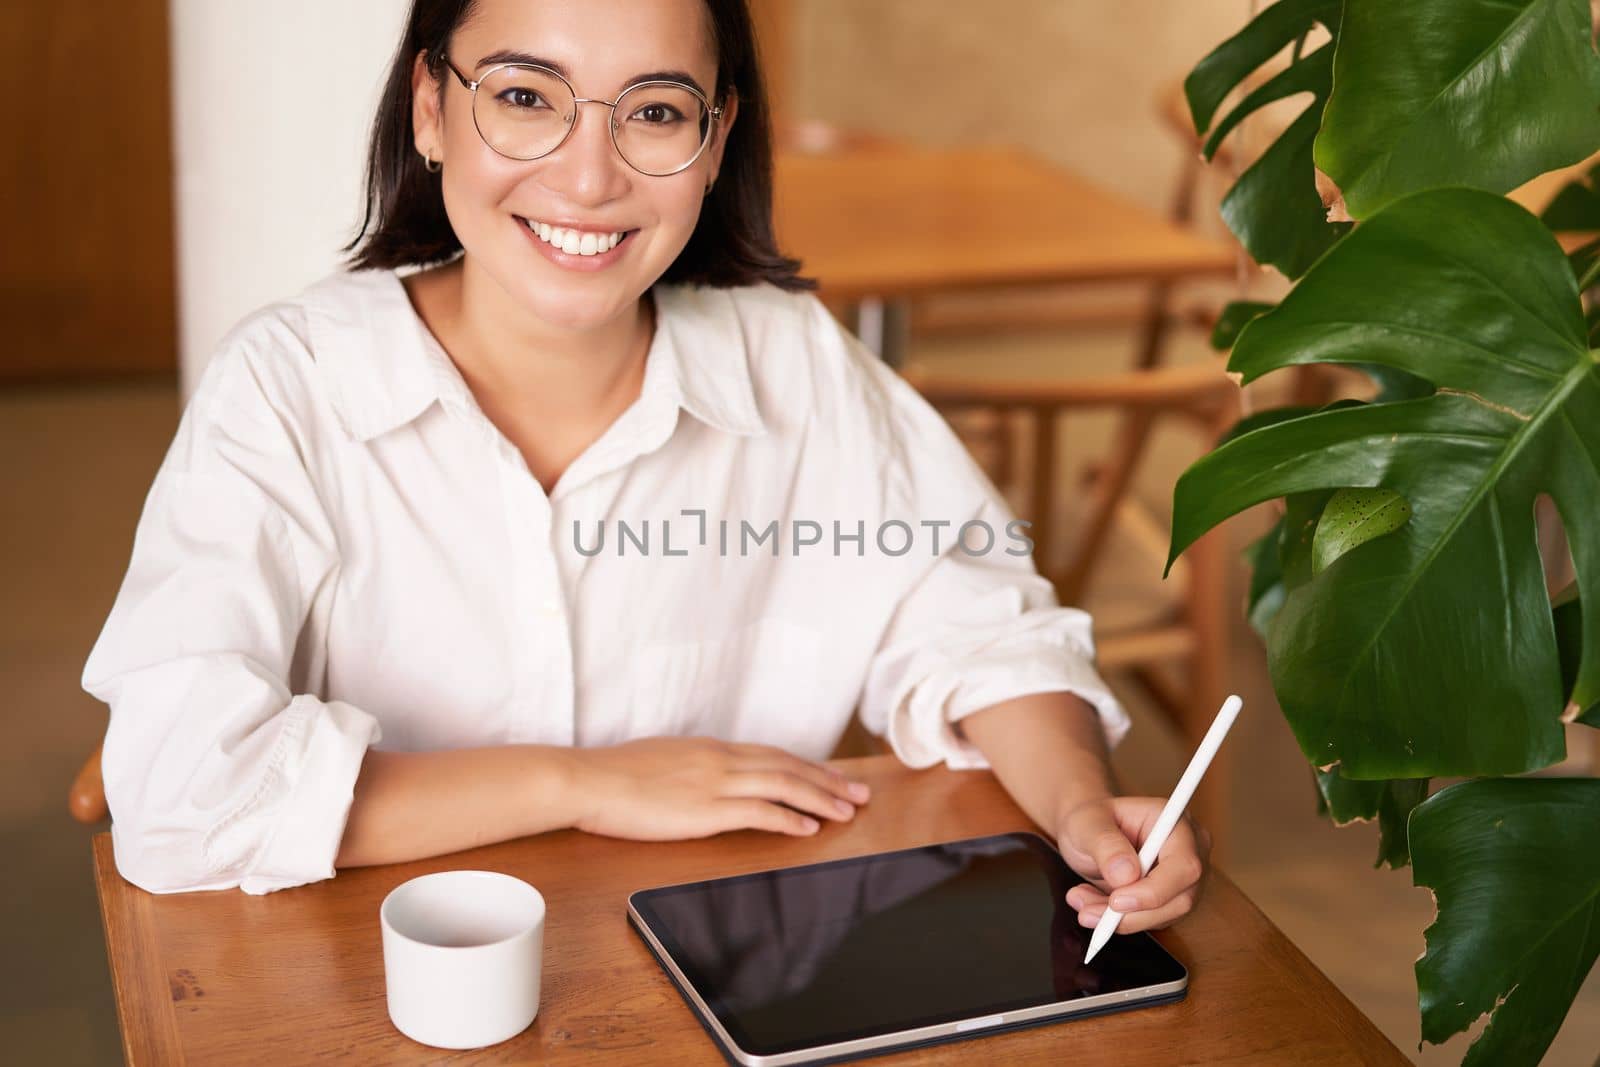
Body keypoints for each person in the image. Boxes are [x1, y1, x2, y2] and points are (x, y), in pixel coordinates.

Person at [81, 0, 1205, 937]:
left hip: (712, 979)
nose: (588, 177)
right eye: (525, 97)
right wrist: (586, 779)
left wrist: (1080, 807)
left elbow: (982, 629)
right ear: (431, 108)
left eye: (656, 113)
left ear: (714, 146)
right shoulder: (287, 386)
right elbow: (179, 793)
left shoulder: (792, 361)